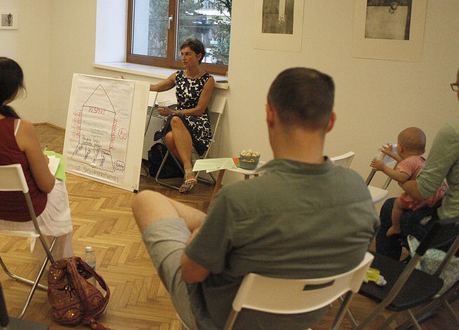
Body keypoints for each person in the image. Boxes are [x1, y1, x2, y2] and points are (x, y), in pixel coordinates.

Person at [132, 67, 378, 330]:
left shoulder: (239, 199)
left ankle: (210, 233)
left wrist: (195, 240)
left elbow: (191, 274)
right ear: (330, 121)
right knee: (224, 222)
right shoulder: (358, 190)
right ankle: (213, 230)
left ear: (269, 115)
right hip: (304, 317)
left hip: (221, 320)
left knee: (146, 201)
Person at [0, 57, 73, 260]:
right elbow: (46, 185)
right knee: (58, 183)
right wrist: (43, 163)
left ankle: (50, 259)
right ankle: (60, 263)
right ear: (12, 91)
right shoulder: (20, 128)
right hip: (26, 213)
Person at [376, 68, 459, 260]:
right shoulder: (419, 159)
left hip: (449, 228)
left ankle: (387, 269)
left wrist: (395, 174)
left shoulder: (452, 132)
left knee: (389, 207)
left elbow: (422, 191)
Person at [149, 39, 215, 193]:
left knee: (174, 120)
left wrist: (173, 112)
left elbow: (199, 110)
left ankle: (188, 170)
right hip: (178, 121)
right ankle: (188, 171)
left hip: (198, 123)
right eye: (182, 54)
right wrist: (130, 83)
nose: (184, 58)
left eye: (188, 54)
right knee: (170, 136)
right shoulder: (177, 76)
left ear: (199, 56)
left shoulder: (207, 80)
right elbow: (155, 87)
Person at [370, 127, 442, 237]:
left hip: (419, 197)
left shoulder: (408, 163)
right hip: (435, 195)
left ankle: (395, 227)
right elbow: (405, 163)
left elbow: (401, 177)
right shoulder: (420, 160)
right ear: (423, 151)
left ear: (400, 148)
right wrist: (391, 154)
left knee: (397, 204)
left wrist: (383, 168)